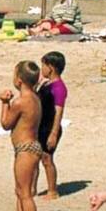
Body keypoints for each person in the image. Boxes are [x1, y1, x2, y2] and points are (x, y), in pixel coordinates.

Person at [0, 60, 44, 211]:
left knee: (25, 194)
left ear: (19, 80)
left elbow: (6, 124)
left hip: (25, 149)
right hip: (32, 147)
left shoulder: (20, 102)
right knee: (20, 191)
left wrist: (5, 102)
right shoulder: (35, 98)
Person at [36, 52, 69, 201]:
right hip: (41, 125)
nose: (41, 68)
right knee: (37, 158)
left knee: (47, 158)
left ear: (51, 67)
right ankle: (32, 189)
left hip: (50, 127)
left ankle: (52, 191)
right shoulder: (46, 84)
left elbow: (59, 111)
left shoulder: (59, 88)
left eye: (43, 65)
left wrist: (54, 133)